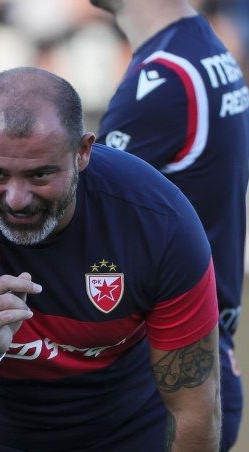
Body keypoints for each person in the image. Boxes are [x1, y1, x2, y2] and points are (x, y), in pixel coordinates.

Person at [0, 67, 220, 451]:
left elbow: (194, 413)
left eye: (39, 175)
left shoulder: (159, 222)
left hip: (126, 436)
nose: (17, 198)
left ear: (83, 151)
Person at [90, 1, 249, 449]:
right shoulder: (200, 49)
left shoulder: (168, 75)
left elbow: (83, 220)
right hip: (196, 362)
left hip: (159, 388)